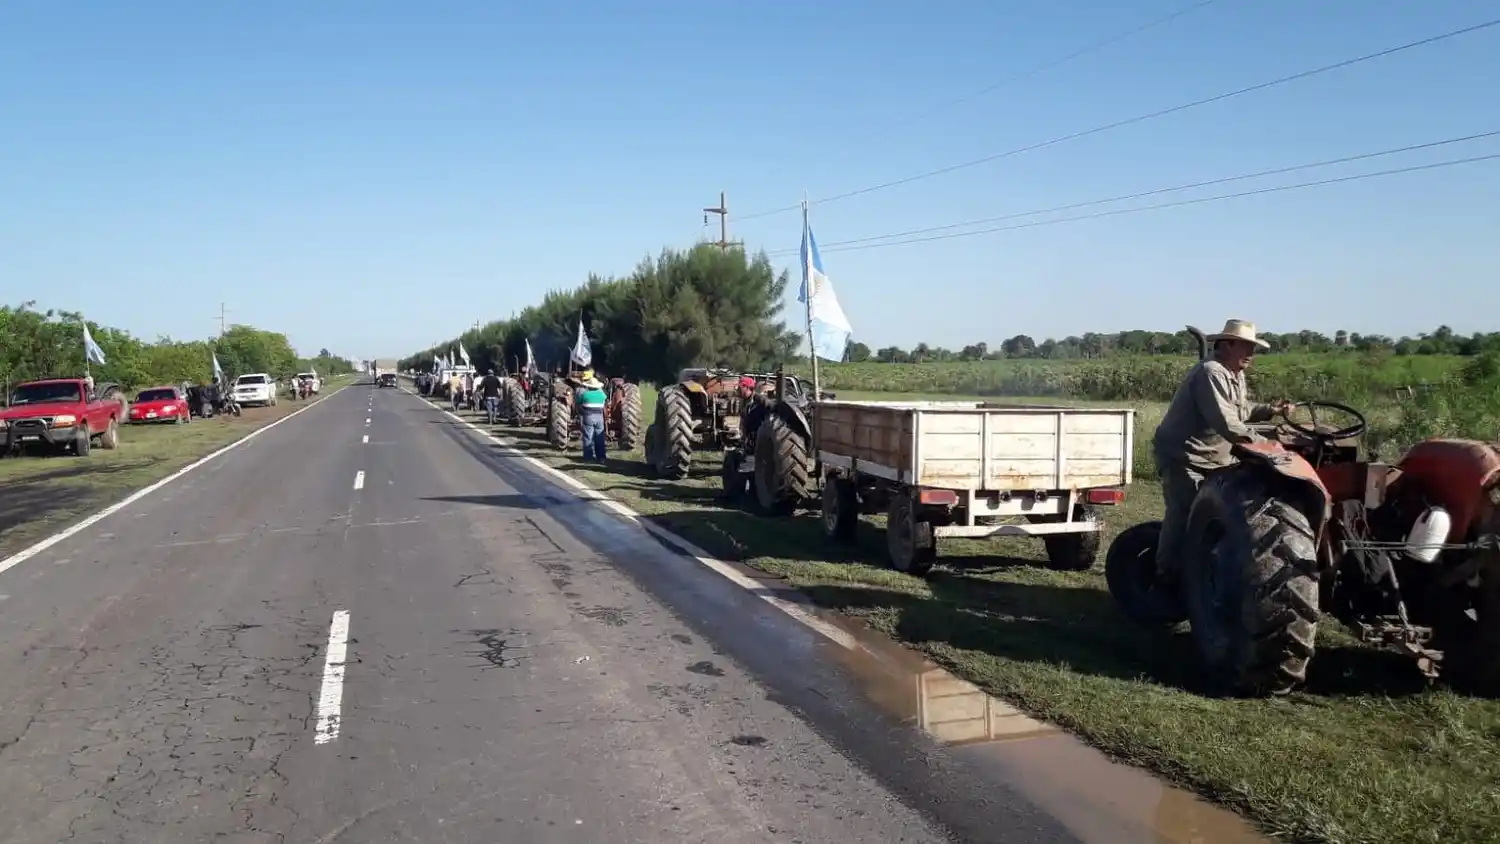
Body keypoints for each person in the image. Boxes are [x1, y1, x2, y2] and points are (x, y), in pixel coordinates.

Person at [1151, 319, 1294, 587]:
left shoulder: (1234, 374)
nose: (1251, 354)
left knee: (1210, 519)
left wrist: (1270, 411)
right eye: (1246, 347)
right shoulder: (1211, 372)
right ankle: (1164, 579)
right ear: (1226, 345)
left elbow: (1240, 411)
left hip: (1215, 458)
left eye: (1254, 348)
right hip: (1186, 457)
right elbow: (1228, 424)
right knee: (1184, 516)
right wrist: (1267, 444)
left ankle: (1200, 574)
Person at [576, 370, 608, 462]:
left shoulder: (585, 394)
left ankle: (588, 457)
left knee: (588, 437)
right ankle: (601, 457)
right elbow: (605, 404)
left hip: (588, 417)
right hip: (599, 418)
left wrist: (581, 413)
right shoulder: (602, 394)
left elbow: (578, 405)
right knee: (599, 438)